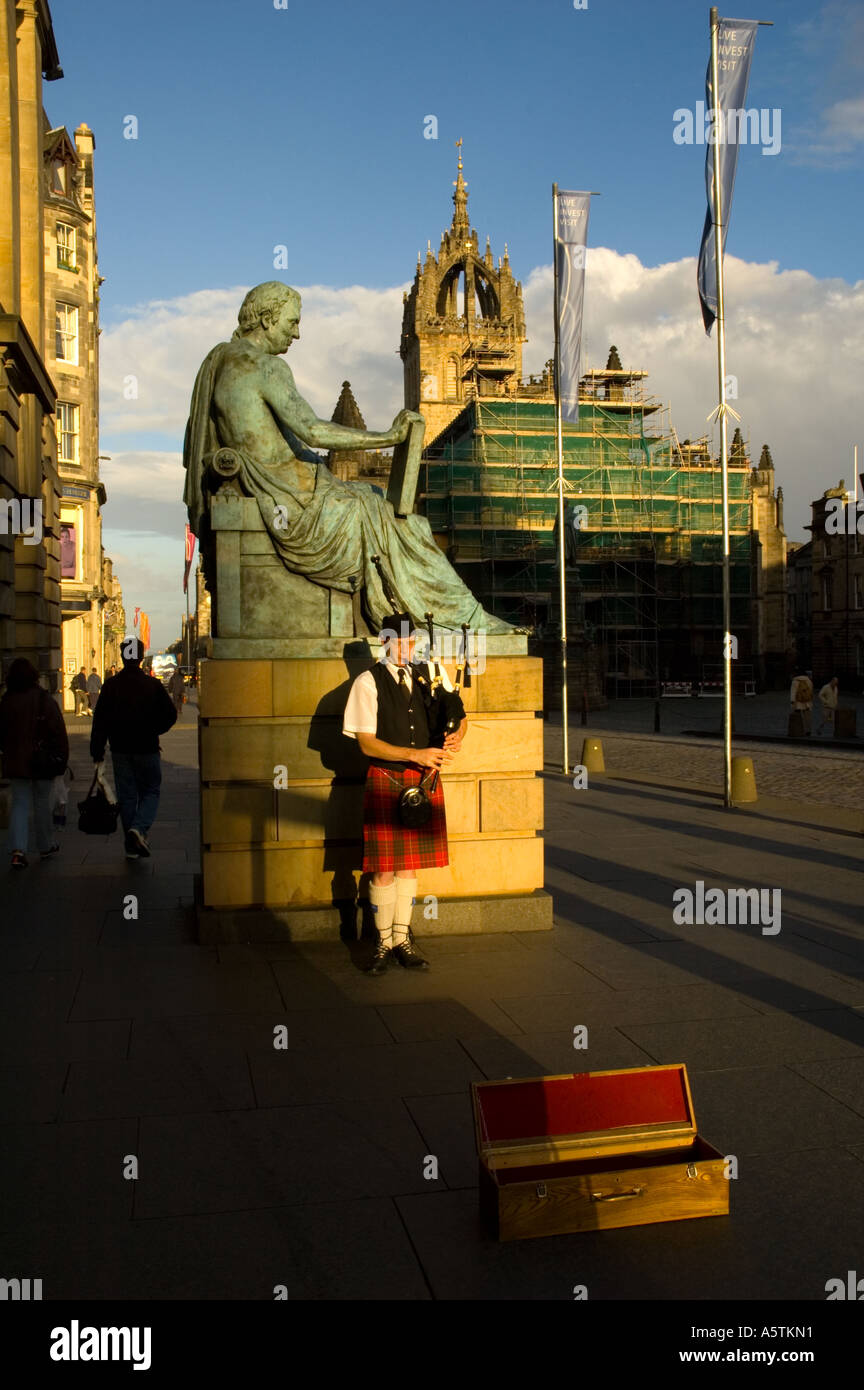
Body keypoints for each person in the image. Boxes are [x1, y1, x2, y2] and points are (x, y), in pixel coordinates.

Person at [342, 613, 466, 975]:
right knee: (382, 871)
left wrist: (458, 734)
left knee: (409, 867)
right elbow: (366, 743)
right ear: (384, 642)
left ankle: (401, 940)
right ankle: (381, 942)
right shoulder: (368, 682)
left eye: (411, 642)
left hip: (424, 781)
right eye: (399, 642)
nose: (406, 649)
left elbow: (457, 713)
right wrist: (414, 754)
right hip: (388, 777)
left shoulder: (429, 673)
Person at [89, 637, 177, 860]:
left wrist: (97, 750)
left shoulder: (110, 686)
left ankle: (130, 847)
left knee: (127, 797)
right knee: (151, 790)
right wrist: (155, 730)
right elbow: (171, 715)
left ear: (122, 656)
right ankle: (138, 828)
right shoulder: (152, 685)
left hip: (120, 749)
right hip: (147, 747)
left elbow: (99, 722)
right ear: (139, 657)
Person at [0, 658, 68, 868]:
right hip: (42, 760)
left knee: (19, 804)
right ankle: (45, 845)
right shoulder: (42, 698)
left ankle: (18, 850)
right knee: (42, 804)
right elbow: (57, 729)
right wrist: (61, 758)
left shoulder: (7, 700)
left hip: (16, 760)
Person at [789, 671, 813, 736]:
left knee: (799, 717)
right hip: (808, 702)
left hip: (798, 703)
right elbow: (810, 691)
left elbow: (793, 692)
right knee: (807, 717)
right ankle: (808, 730)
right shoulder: (809, 681)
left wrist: (792, 702)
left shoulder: (795, 681)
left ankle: (800, 730)